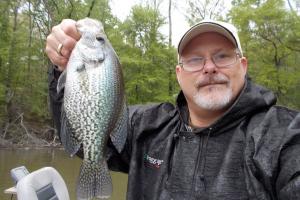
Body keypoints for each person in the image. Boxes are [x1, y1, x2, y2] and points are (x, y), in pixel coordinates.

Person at [46, 19, 300, 200]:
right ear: (179, 74)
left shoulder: (284, 135)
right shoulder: (147, 126)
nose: (209, 67)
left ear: (243, 66)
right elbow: (83, 142)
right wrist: (62, 70)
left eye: (222, 56)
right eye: (194, 59)